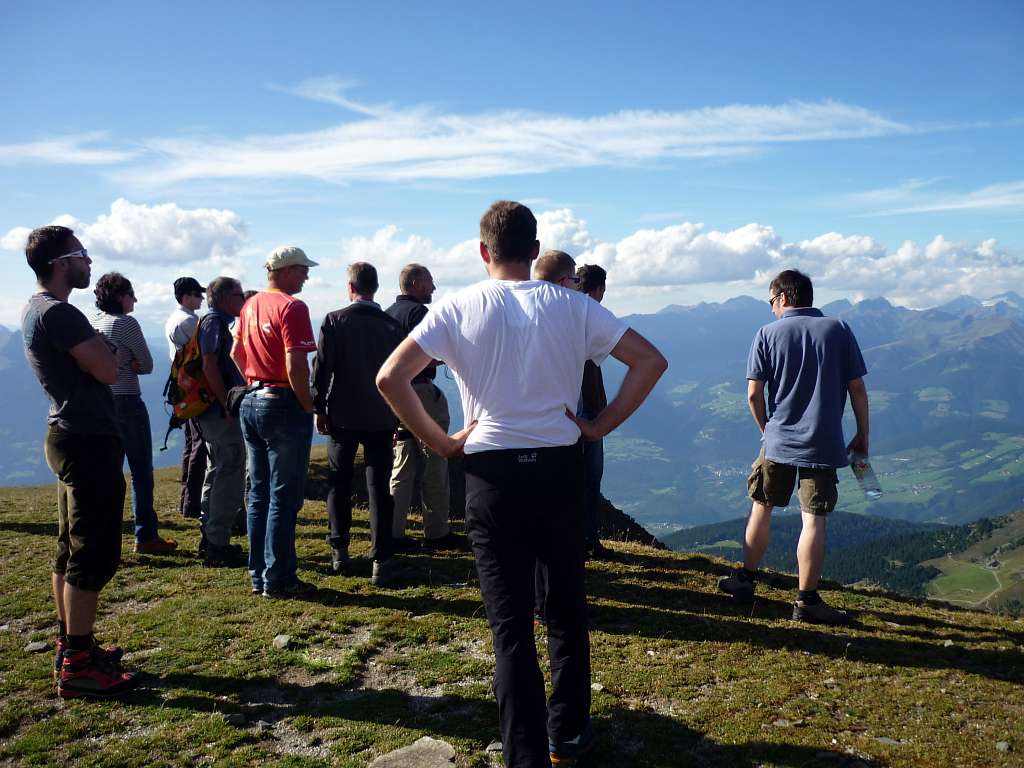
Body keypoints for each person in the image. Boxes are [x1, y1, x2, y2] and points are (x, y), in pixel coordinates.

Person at [377, 201, 667, 767]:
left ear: (482, 251)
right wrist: (599, 426)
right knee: (565, 608)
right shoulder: (574, 305)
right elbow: (650, 362)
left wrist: (442, 443)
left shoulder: (457, 307)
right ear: (535, 251)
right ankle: (569, 735)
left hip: (491, 474)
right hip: (559, 468)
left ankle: (524, 755)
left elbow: (390, 378)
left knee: (510, 626)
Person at [22, 225, 140, 698]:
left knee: (69, 547)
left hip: (65, 432)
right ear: (60, 263)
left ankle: (72, 644)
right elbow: (110, 369)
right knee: (92, 552)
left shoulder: (35, 309)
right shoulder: (61, 314)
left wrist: (97, 348)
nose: (89, 261)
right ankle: (78, 664)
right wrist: (104, 348)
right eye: (82, 254)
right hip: (87, 438)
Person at [719, 269, 869, 626]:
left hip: (779, 440)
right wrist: (863, 434)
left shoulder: (766, 334)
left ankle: (745, 580)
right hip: (824, 442)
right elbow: (857, 389)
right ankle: (806, 601)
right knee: (813, 519)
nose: (772, 308)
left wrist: (767, 430)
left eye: (771, 301)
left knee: (762, 506)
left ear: (784, 297)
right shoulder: (839, 330)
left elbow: (754, 394)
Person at [231, 246, 318, 598]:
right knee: (284, 495)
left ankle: (260, 574)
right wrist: (307, 404)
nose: (307, 276)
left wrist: (255, 380)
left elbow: (236, 352)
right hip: (282, 401)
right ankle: (279, 578)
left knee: (259, 493)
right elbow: (296, 365)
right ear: (285, 271)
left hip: (252, 398)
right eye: (302, 269)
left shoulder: (249, 305)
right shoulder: (292, 307)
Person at [311, 262, 405, 585]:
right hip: (381, 414)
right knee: (379, 487)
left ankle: (340, 550)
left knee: (339, 481)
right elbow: (399, 375)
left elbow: (323, 368)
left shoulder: (334, 320)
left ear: (350, 287)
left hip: (343, 414)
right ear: (375, 287)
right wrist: (399, 416)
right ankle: (382, 559)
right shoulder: (391, 325)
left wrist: (319, 407)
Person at [90, 272, 177, 555]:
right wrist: (132, 366)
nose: (135, 300)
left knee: (108, 473)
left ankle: (104, 539)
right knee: (141, 472)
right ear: (119, 296)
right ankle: (145, 536)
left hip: (100, 401)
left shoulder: (94, 321)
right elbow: (148, 364)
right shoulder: (126, 323)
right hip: (127, 401)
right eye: (131, 294)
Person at [385, 264, 465, 551]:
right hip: (420, 391)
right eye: (430, 282)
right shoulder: (419, 313)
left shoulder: (388, 313)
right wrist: (448, 356)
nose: (434, 287)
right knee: (435, 460)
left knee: (402, 462)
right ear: (417, 283)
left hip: (395, 395)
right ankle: (437, 531)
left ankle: (393, 532)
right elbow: (428, 355)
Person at [196, 277, 247, 567]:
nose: (243, 300)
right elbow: (209, 365)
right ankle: (217, 543)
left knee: (217, 468)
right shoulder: (215, 323)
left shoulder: (211, 321)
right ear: (226, 297)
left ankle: (210, 536)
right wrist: (225, 402)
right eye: (240, 295)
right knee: (230, 469)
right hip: (219, 411)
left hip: (210, 411)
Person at [575, 264, 611, 560]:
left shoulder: (565, 313)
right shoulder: (589, 315)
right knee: (589, 477)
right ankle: (587, 538)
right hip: (587, 407)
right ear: (599, 289)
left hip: (575, 406)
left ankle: (583, 539)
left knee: (579, 477)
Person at [165, 276, 207, 519]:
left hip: (180, 385)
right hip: (194, 387)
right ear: (186, 296)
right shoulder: (191, 321)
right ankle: (193, 503)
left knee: (191, 443)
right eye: (197, 294)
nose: (201, 298)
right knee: (199, 444)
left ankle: (186, 501)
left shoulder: (174, 318)